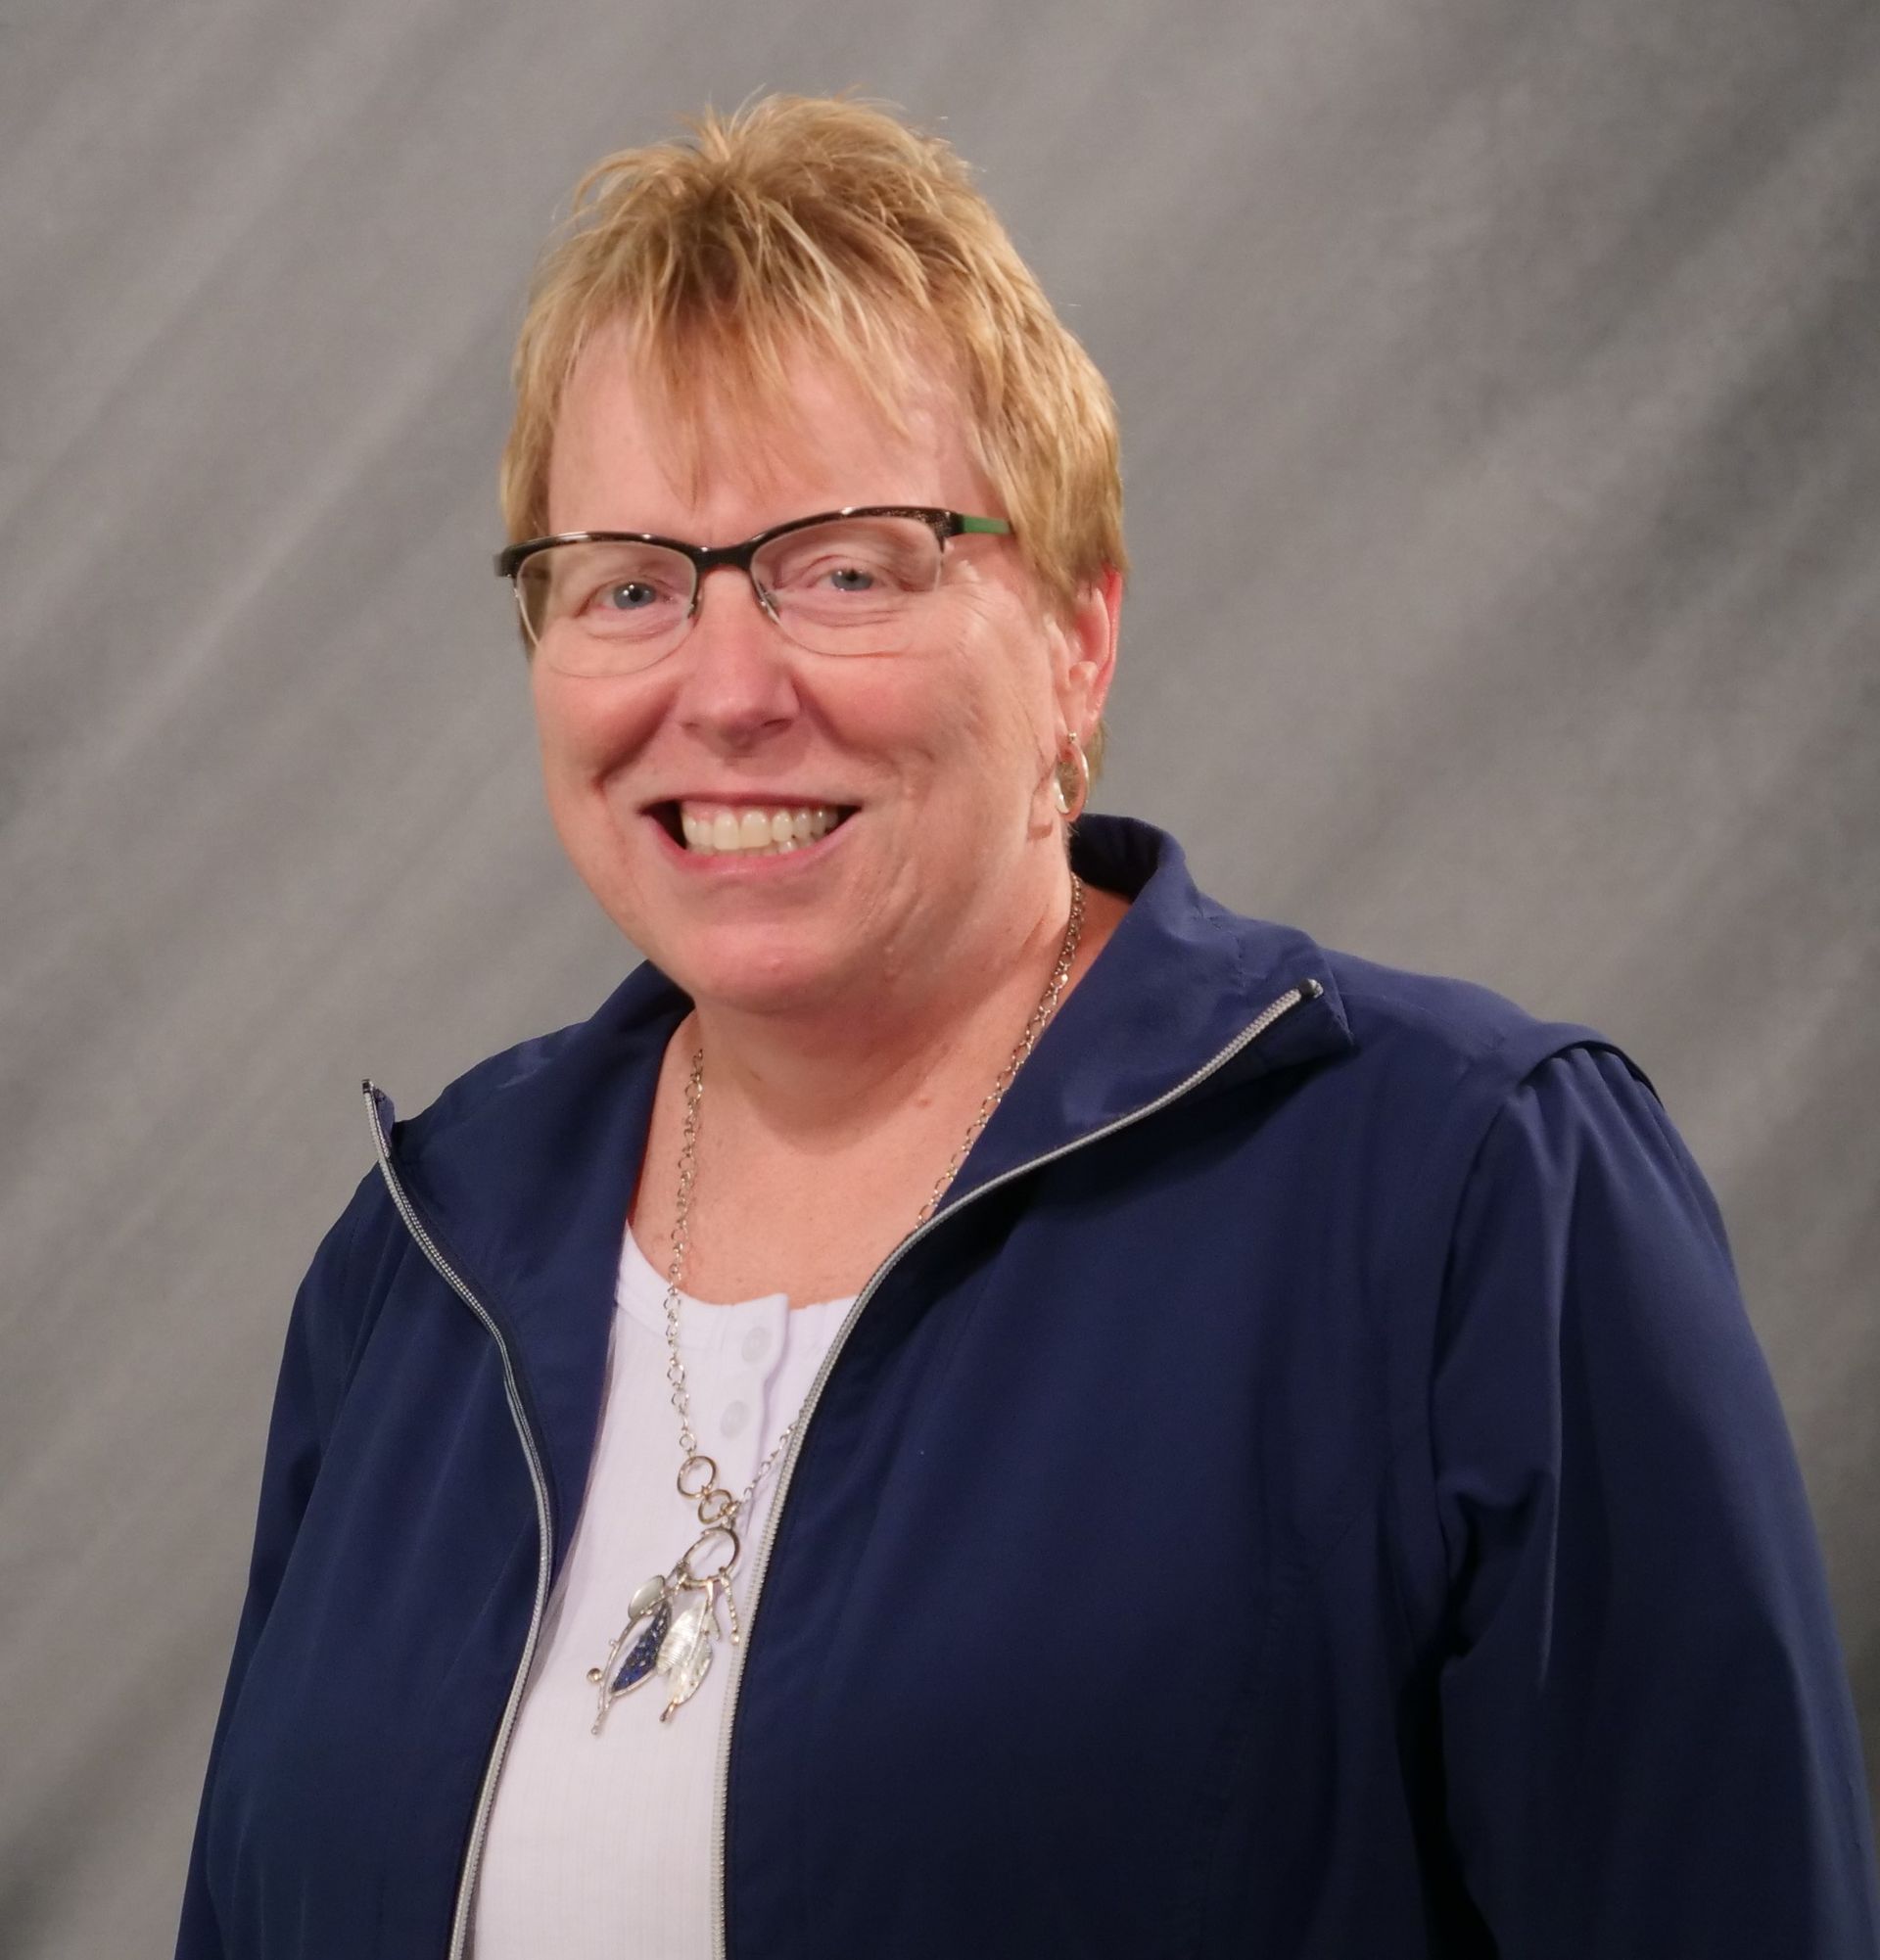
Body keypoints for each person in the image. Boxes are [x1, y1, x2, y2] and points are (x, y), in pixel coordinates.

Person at [176, 94, 1879, 1960]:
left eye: (845, 567)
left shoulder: (1473, 1196)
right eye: (631, 585)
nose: (726, 688)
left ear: (1079, 633)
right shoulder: (416, 1265)